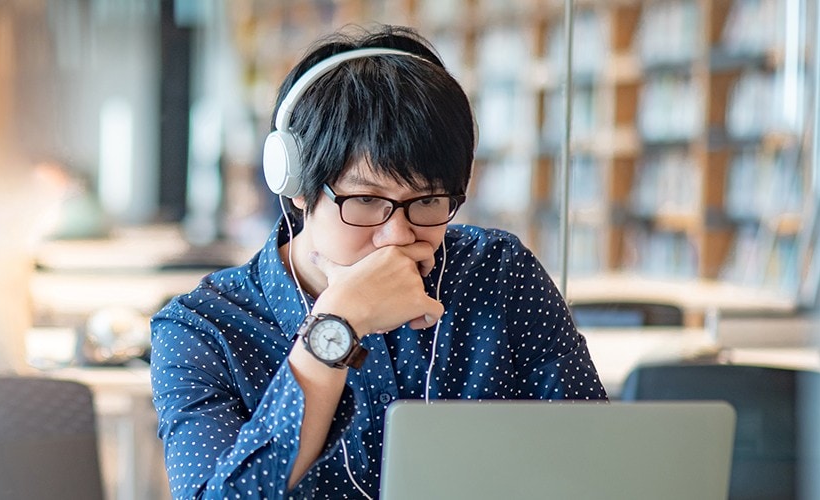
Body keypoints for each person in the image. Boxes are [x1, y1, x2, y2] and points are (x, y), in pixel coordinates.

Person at [150, 24, 607, 499]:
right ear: (298, 187)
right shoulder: (203, 328)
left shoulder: (498, 274)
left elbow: (597, 463)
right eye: (367, 200)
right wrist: (336, 326)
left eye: (427, 202)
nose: (398, 236)